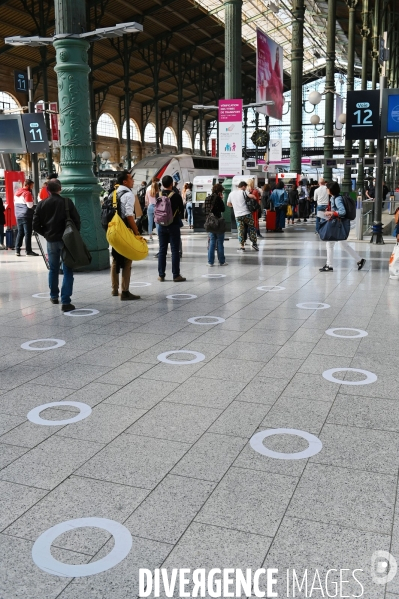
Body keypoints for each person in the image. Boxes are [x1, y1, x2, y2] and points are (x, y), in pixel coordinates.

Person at [33, 179, 80, 311]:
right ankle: (66, 301)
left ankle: (54, 296)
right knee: (67, 270)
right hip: (67, 240)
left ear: (48, 189)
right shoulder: (67, 202)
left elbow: (35, 225)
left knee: (53, 269)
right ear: (60, 188)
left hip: (51, 240)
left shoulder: (42, 204)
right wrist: (73, 235)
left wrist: (46, 234)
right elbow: (77, 220)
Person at [319, 181, 366, 272]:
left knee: (329, 243)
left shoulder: (337, 199)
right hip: (339, 223)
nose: (326, 190)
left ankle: (329, 265)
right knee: (343, 245)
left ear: (331, 190)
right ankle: (359, 260)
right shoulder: (334, 197)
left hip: (338, 224)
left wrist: (331, 213)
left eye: (327, 188)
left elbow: (342, 212)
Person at [110, 170, 141, 300]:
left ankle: (114, 289)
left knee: (116, 259)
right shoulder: (128, 194)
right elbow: (129, 216)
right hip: (125, 230)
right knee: (128, 260)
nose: (133, 181)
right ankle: (125, 291)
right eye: (131, 179)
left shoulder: (113, 193)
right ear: (125, 181)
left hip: (113, 230)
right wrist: (137, 232)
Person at [157, 175, 186, 282]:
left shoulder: (158, 195)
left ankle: (161, 275)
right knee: (175, 250)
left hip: (161, 225)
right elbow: (182, 212)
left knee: (162, 250)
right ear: (171, 184)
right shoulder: (176, 196)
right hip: (173, 225)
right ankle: (176, 275)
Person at [227, 181, 259, 253]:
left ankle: (242, 246)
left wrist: (235, 206)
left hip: (238, 215)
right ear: (243, 186)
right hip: (246, 214)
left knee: (240, 230)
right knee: (252, 228)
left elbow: (228, 204)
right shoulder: (244, 192)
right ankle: (254, 243)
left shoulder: (231, 194)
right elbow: (253, 196)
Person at [14, 178, 39, 257]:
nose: (32, 187)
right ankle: (28, 251)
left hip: (18, 215)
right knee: (27, 233)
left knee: (20, 232)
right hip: (26, 215)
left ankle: (17, 250)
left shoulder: (17, 192)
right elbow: (30, 205)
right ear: (28, 185)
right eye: (32, 185)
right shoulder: (27, 193)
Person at [205, 183, 227, 267]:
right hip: (218, 222)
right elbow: (223, 209)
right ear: (220, 191)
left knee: (212, 242)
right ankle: (222, 261)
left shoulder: (207, 198)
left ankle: (210, 262)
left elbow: (205, 210)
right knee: (220, 242)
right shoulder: (218, 198)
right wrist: (221, 199)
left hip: (210, 223)